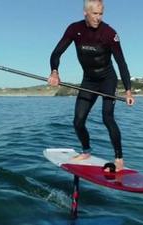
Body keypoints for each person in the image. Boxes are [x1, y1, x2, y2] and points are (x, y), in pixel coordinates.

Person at [48, 0, 135, 172]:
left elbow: (121, 63)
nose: (98, 17)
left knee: (107, 117)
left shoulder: (109, 33)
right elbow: (56, 52)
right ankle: (86, 151)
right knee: (78, 120)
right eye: (95, 13)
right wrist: (54, 72)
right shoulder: (74, 29)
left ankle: (118, 159)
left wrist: (128, 91)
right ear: (85, 13)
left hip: (107, 79)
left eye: (101, 13)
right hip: (89, 80)